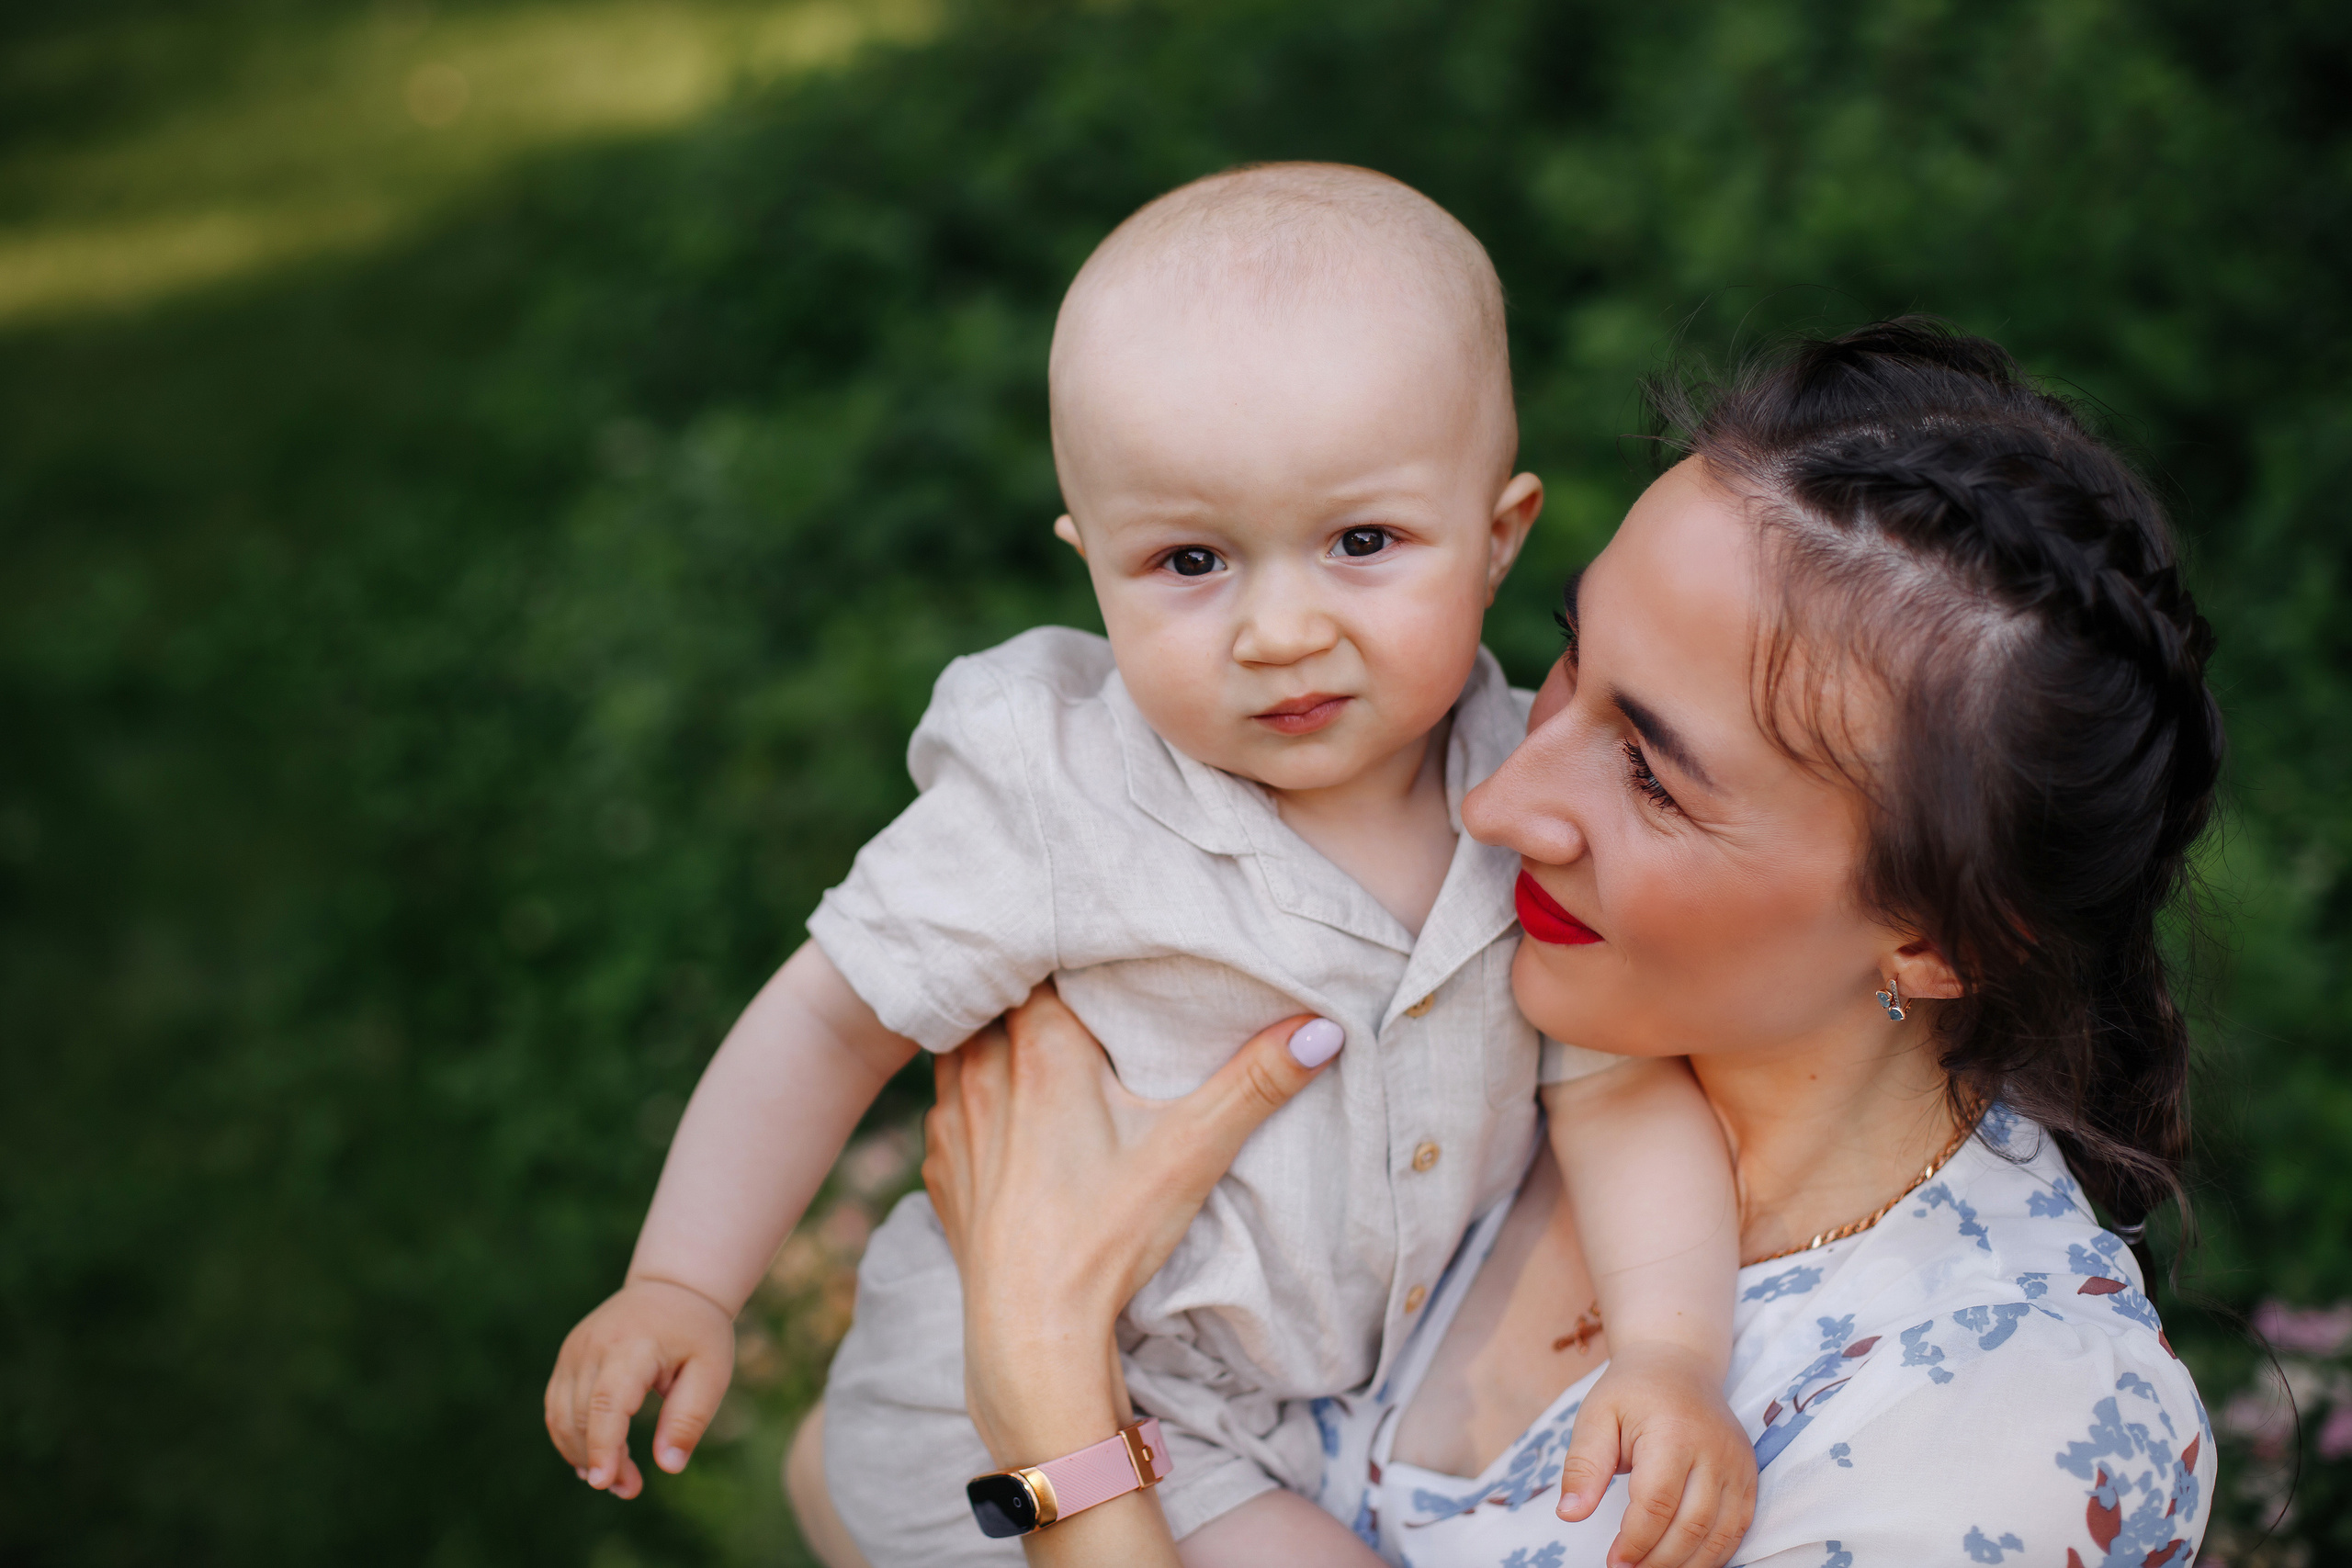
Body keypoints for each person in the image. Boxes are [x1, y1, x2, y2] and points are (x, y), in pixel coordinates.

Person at [545, 163, 1757, 1565]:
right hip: (1006, 1413)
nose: (1281, 629)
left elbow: (1614, 1100)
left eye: (1363, 543)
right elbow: (827, 1017)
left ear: (1497, 541)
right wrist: (684, 1281)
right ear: (1091, 566)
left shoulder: (1527, 803)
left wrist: (1669, 1359)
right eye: (1191, 562)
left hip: (1282, 1415)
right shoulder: (1061, 796)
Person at [910, 321, 2222, 1566]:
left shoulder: (2006, 1443)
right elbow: (826, 1471)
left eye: (1653, 776)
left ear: (1939, 940)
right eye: (1565, 661)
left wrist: (1049, 1405)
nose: (1496, 803)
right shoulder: (1494, 1015)